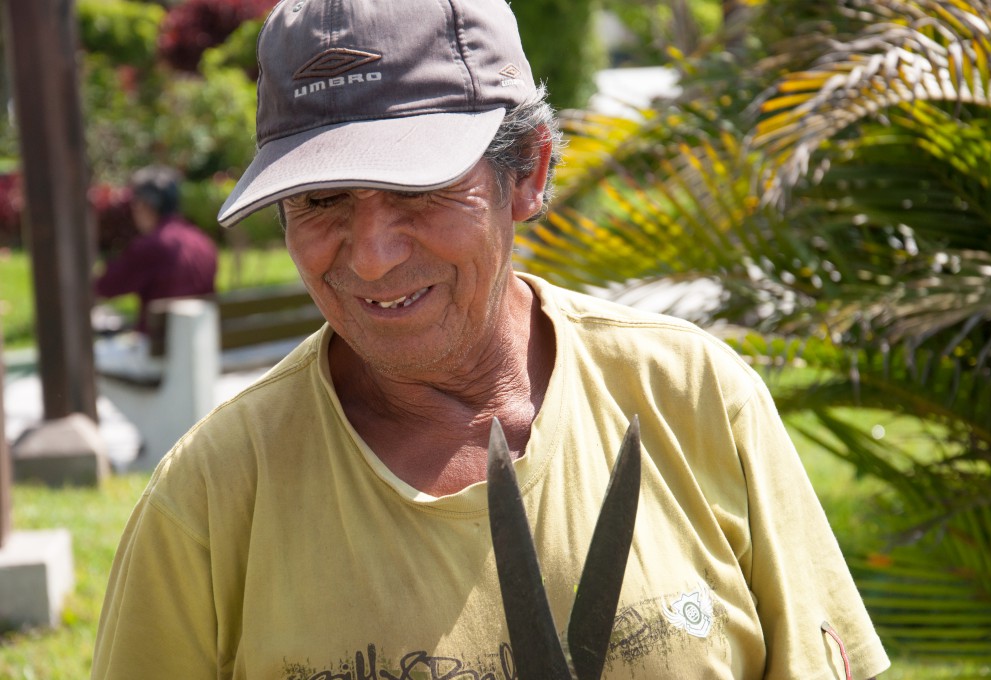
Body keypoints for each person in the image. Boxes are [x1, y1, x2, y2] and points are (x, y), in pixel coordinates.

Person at [92, 1, 890, 678]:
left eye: (421, 187)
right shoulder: (210, 498)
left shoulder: (695, 396)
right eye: (322, 199)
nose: (371, 254)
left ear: (530, 173)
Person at [93, 164, 218, 336]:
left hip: (162, 351)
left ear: (146, 204)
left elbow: (104, 287)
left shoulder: (153, 245)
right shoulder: (203, 241)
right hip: (201, 341)